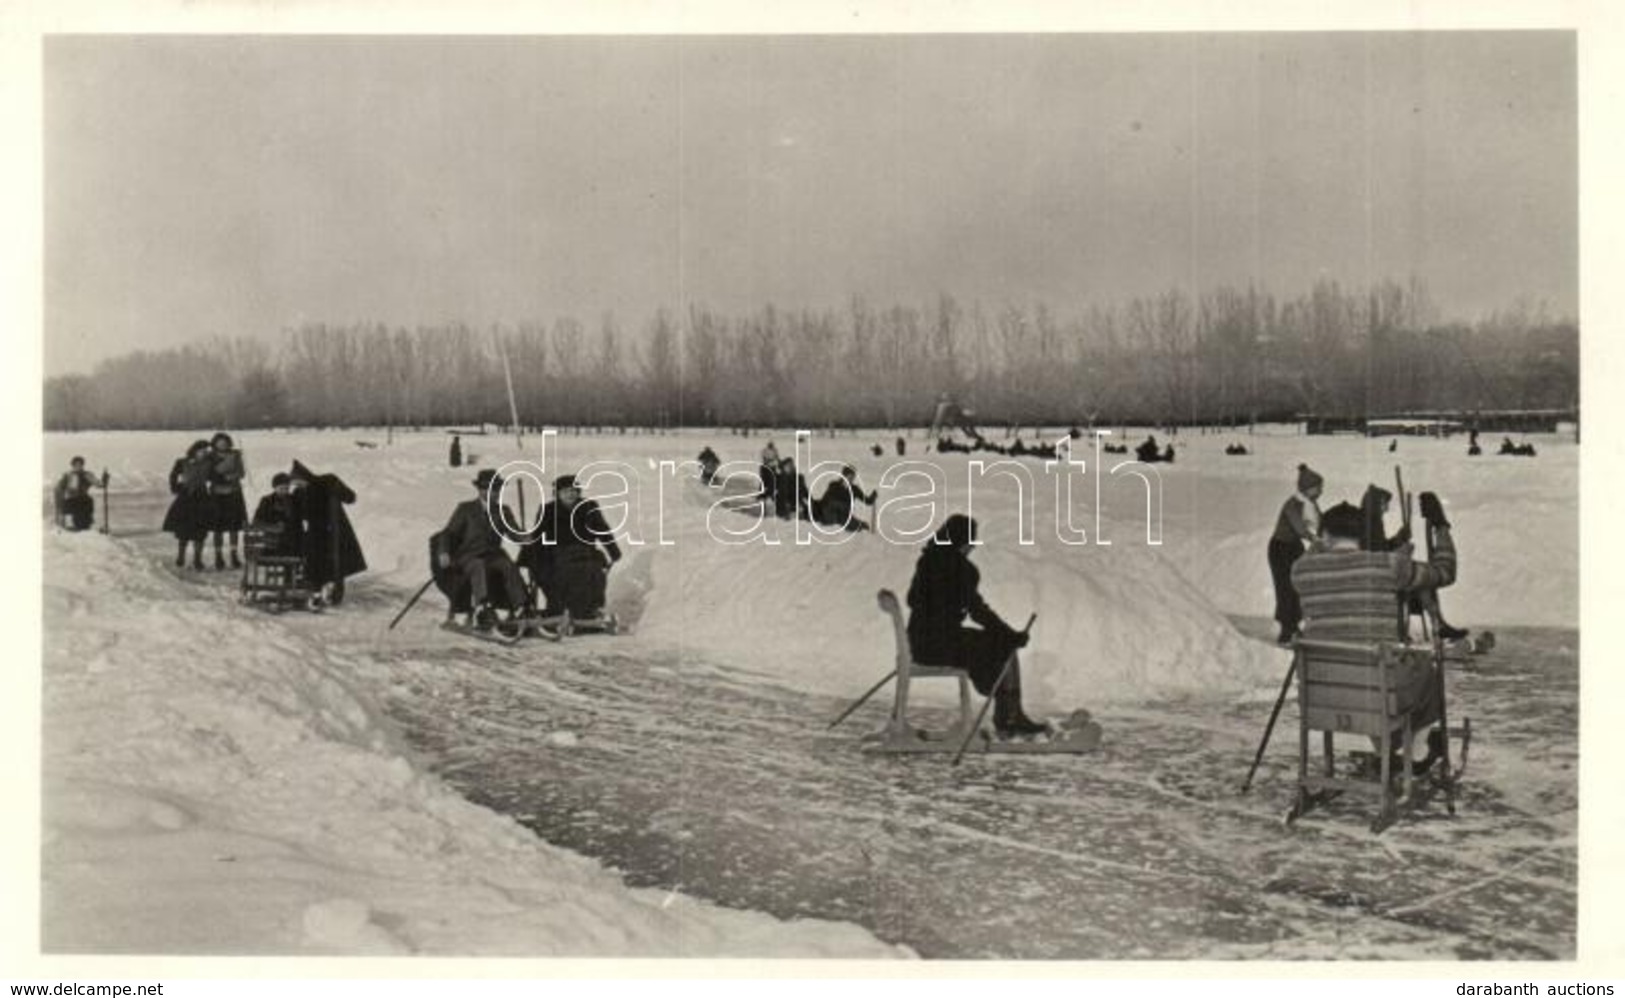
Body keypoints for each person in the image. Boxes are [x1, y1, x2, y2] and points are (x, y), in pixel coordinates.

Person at [1290, 494, 1460, 772]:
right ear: (1364, 536)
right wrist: (1441, 527)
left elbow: (1317, 555)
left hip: (1321, 696)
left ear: (1325, 536)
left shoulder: (1301, 571)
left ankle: (1391, 745)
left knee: (1371, 666)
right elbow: (1445, 572)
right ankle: (1417, 752)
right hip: (1379, 692)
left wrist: (1323, 538)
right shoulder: (1387, 566)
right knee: (1427, 671)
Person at [905, 514, 1047, 738]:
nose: (972, 547)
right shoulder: (961, 569)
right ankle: (1009, 717)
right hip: (941, 646)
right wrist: (1011, 636)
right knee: (1005, 647)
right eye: (971, 542)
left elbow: (911, 599)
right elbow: (978, 611)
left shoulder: (928, 560)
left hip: (919, 643)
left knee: (991, 642)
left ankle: (1008, 715)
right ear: (963, 542)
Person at [519, 473, 623, 620]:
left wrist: (613, 551)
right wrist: (526, 555)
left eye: (573, 491)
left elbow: (602, 530)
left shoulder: (589, 507)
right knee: (562, 572)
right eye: (565, 491)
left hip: (585, 552)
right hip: (557, 554)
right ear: (557, 494)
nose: (570, 494)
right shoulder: (548, 510)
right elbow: (537, 536)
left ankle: (591, 609)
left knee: (594, 570)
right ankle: (562, 609)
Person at [434, 468, 527, 629]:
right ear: (481, 490)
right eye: (491, 489)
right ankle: (483, 608)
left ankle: (521, 607)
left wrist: (527, 538)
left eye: (498, 489)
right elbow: (447, 534)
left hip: (493, 555)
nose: (495, 493)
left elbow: (515, 534)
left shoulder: (503, 511)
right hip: (468, 557)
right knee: (478, 566)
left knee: (508, 566)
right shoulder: (466, 509)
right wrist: (443, 552)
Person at [291, 460, 367, 605]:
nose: (297, 486)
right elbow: (295, 511)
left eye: (298, 482)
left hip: (334, 531)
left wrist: (339, 489)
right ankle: (318, 594)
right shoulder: (300, 493)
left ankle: (335, 594)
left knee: (337, 562)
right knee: (316, 564)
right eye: (296, 484)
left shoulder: (327, 482)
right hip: (315, 534)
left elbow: (351, 497)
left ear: (304, 477)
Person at [1268, 463, 1324, 644]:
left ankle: (1294, 626)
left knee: (1299, 587)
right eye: (1318, 487)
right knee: (1285, 588)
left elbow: (1321, 523)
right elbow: (1299, 527)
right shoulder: (1292, 505)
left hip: (1294, 547)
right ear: (1308, 488)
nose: (1320, 491)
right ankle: (1286, 631)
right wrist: (1315, 540)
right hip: (1280, 548)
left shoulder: (1311, 504)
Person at [162, 440, 214, 569]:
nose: (204, 453)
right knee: (183, 530)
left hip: (202, 498)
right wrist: (175, 487)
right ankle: (181, 556)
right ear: (195, 450)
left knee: (200, 531)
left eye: (206, 451)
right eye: (201, 451)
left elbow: (217, 477)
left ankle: (197, 559)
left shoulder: (209, 464)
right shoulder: (182, 462)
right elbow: (173, 475)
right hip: (186, 498)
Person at [206, 432, 249, 570]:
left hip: (233, 494)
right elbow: (208, 474)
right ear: (214, 443)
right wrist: (223, 476)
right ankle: (218, 556)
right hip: (217, 495)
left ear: (228, 443)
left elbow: (242, 473)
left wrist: (232, 476)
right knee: (217, 528)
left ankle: (234, 555)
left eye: (224, 441)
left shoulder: (236, 455)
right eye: (219, 441)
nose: (222, 444)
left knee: (234, 527)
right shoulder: (210, 456)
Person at [251, 472, 304, 556]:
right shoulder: (267, 501)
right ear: (275, 487)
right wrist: (274, 527)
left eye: (287, 488)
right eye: (281, 488)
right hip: (272, 545)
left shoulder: (294, 500)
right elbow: (256, 522)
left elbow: (299, 521)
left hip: (292, 545)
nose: (284, 491)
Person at [812, 464, 875, 531]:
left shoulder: (854, 489)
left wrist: (874, 495)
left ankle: (858, 525)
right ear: (844, 475)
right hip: (830, 514)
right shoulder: (834, 485)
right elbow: (825, 500)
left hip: (844, 516)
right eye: (849, 476)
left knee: (859, 525)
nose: (851, 478)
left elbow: (868, 501)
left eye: (853, 476)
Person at [1358, 485, 1412, 553]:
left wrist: (1400, 537)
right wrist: (1400, 538)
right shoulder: (1369, 523)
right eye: (1384, 504)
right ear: (1376, 503)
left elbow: (1382, 547)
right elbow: (1381, 550)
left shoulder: (1372, 521)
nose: (1387, 509)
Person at [54, 456, 98, 531]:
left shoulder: (87, 474)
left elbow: (97, 483)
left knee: (88, 502)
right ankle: (68, 524)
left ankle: (86, 524)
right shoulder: (68, 475)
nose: (78, 466)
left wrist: (103, 481)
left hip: (83, 499)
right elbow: (59, 487)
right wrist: (60, 499)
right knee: (69, 505)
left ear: (82, 465)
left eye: (80, 465)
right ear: (73, 465)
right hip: (71, 499)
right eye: (76, 465)